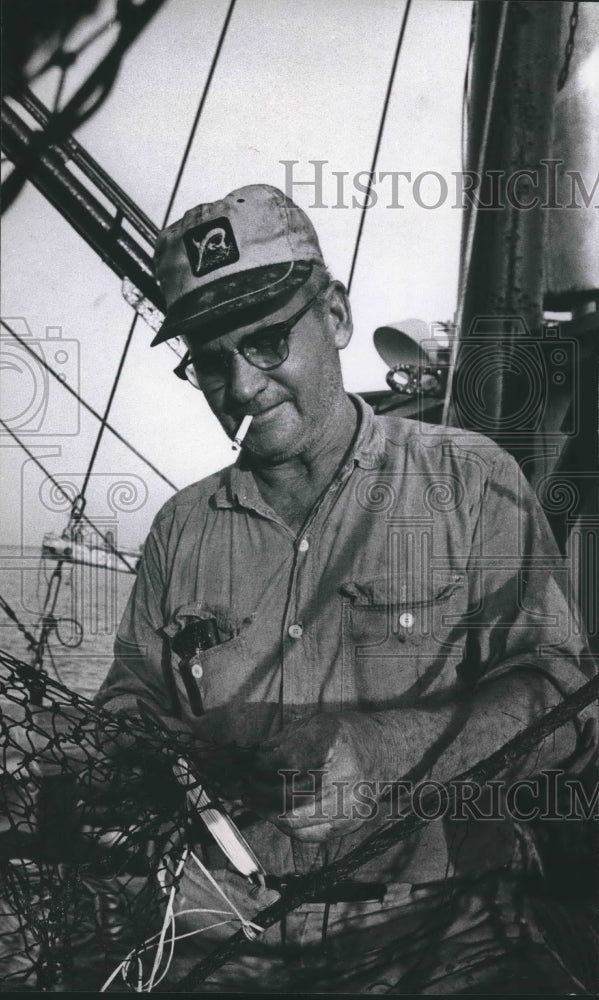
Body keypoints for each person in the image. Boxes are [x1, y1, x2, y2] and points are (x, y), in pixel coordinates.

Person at [95, 184, 596, 993]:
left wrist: (375, 752)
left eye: (264, 342)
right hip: (216, 919)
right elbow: (127, 704)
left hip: (442, 921)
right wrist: (165, 745)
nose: (242, 388)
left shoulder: (469, 480)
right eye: (210, 361)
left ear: (334, 315)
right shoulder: (180, 527)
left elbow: (565, 706)